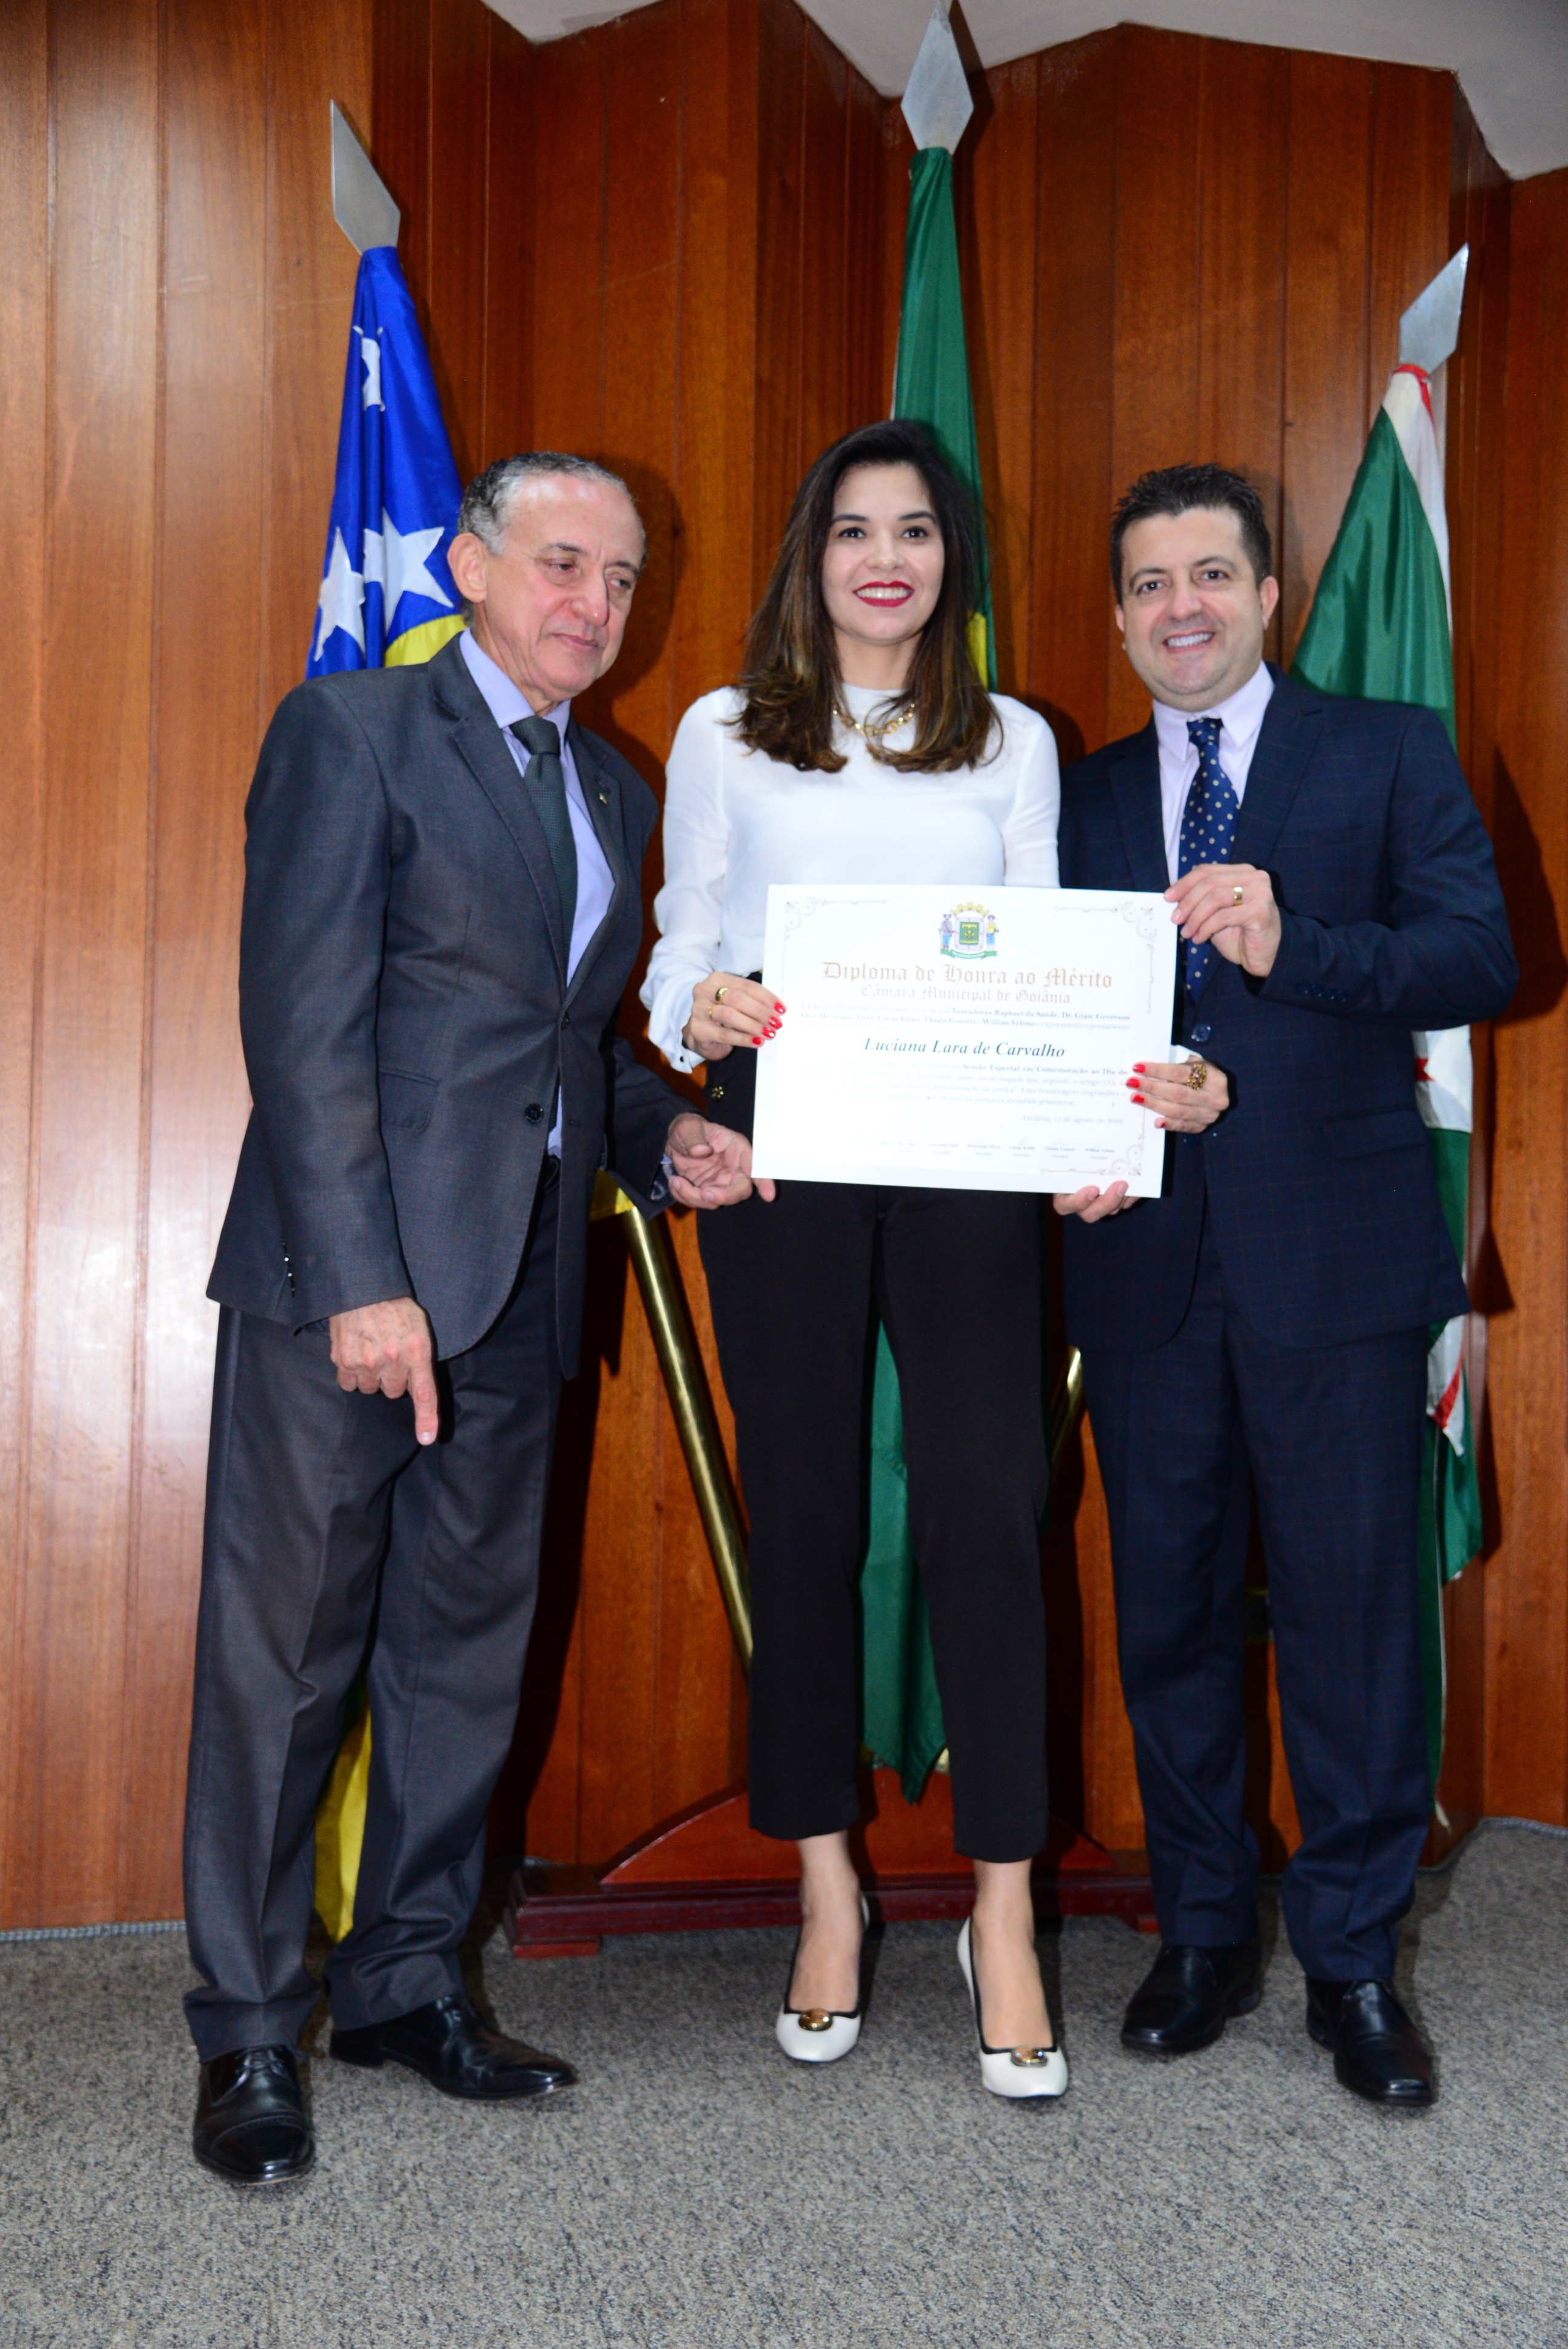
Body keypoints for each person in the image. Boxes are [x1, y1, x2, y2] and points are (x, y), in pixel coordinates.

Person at [184, 452, 753, 2185]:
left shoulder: (614, 790)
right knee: (287, 1664)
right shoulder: (352, 732)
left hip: (522, 1294)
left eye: (623, 577)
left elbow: (559, 1047)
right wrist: (366, 1280)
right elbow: (302, 1026)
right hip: (345, 1292)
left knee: (459, 1663)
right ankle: (249, 2030)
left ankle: (405, 1985)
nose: (595, 602)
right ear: (471, 565)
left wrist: (668, 1139)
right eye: (564, 562)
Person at [644, 419, 1225, 2100]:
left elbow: (1048, 960)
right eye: (853, 530)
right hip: (784, 1146)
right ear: (810, 558)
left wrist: (1090, 1133)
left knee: (986, 1506)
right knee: (806, 1510)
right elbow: (681, 938)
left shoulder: (1013, 741)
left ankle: (1003, 1907)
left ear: (948, 559)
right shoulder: (724, 729)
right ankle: (825, 1889)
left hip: (968, 1155)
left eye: (913, 530)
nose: (884, 558)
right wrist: (695, 1009)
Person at [1055, 462, 1516, 2107]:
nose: (1180, 606)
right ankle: (1200, 1933)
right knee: (1170, 1615)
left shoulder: (1384, 751)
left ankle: (1352, 1960)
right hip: (1142, 1261)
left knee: (1352, 1622)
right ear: (1123, 620)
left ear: (1267, 595)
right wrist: (1074, 1131)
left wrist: (1291, 942)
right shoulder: (1077, 795)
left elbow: (1480, 954)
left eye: (1210, 575)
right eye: (1149, 583)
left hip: (1338, 1259)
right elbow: (1042, 1011)